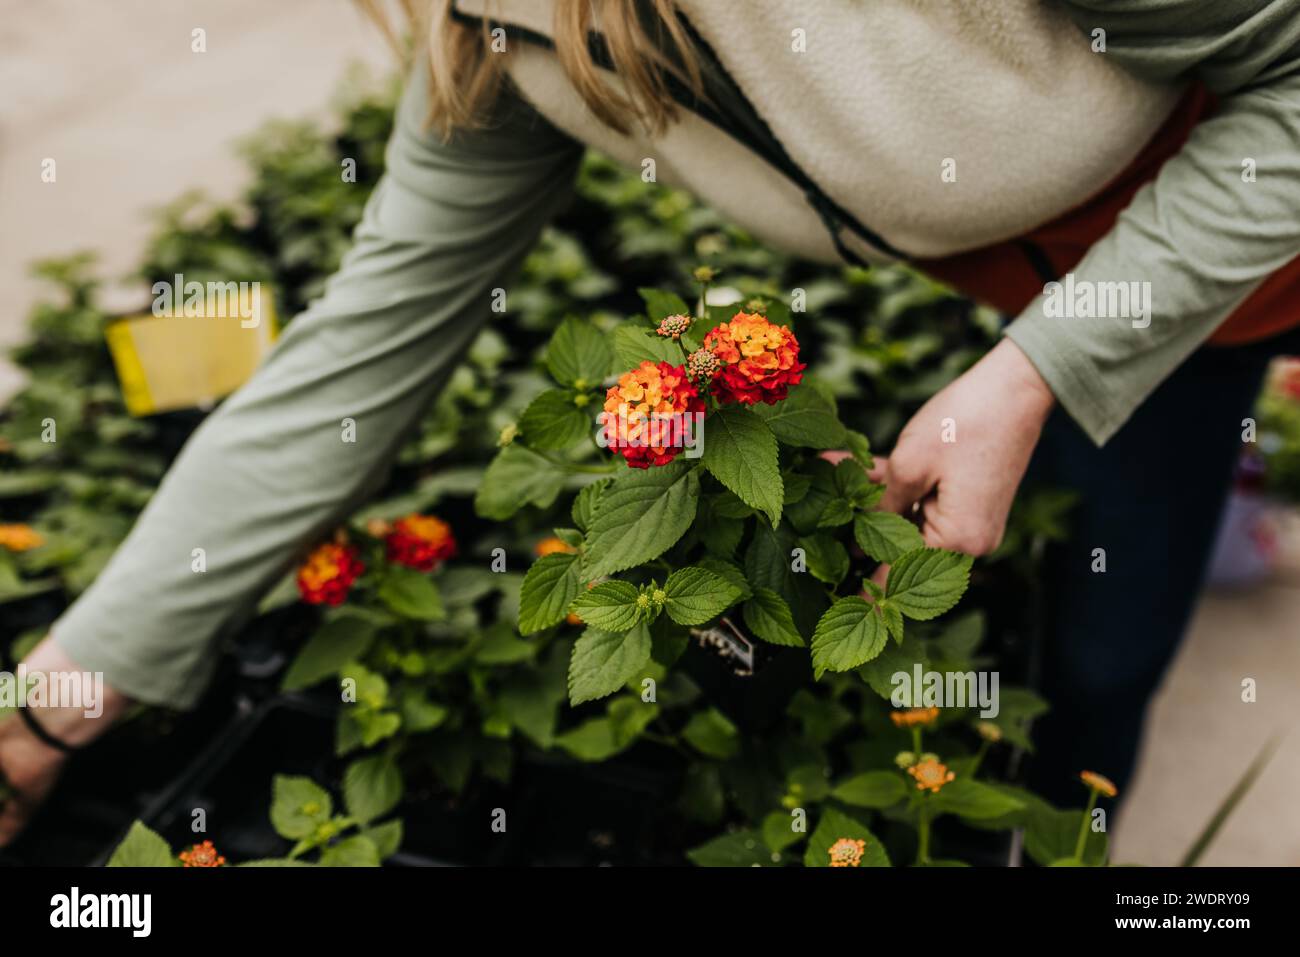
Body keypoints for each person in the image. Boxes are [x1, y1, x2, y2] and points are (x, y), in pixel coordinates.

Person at [3, 0, 1299, 846]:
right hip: (1012, 259)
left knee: (1109, 636)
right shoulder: (508, 40)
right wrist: (51, 702)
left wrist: (1039, 370)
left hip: (1227, 231)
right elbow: (354, 358)